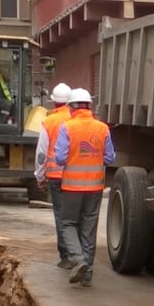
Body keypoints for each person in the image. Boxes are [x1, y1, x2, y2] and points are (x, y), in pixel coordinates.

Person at [53, 88, 115, 287]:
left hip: (72, 186)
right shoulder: (102, 128)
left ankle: (78, 259)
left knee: (68, 224)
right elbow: (109, 157)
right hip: (95, 187)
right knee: (89, 228)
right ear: (89, 106)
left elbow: (61, 158)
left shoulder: (67, 127)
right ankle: (87, 276)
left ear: (71, 107)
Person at [35, 82, 74, 269]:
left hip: (56, 178)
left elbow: (41, 153)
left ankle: (66, 256)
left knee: (61, 216)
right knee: (77, 216)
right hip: (76, 178)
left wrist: (39, 176)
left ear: (54, 103)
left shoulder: (49, 121)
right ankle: (80, 254)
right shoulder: (76, 120)